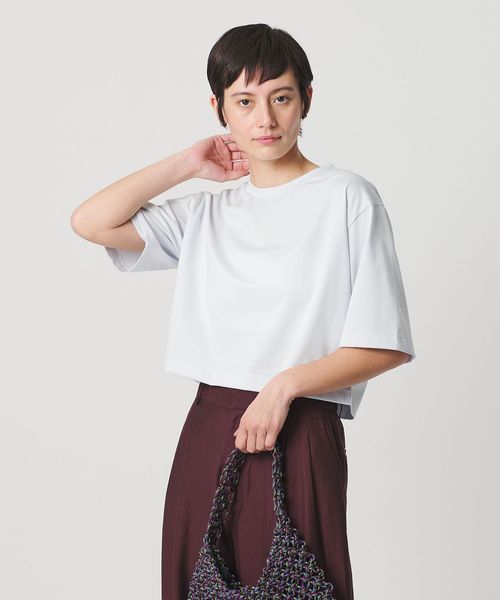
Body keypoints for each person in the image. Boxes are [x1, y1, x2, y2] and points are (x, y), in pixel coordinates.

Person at [71, 22, 416, 600]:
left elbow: (385, 342)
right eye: (245, 101)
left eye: (281, 97)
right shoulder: (208, 214)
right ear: (219, 109)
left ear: (307, 99)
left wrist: (284, 387)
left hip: (300, 429)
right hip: (211, 427)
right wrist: (187, 163)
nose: (265, 119)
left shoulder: (347, 198)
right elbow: (90, 221)